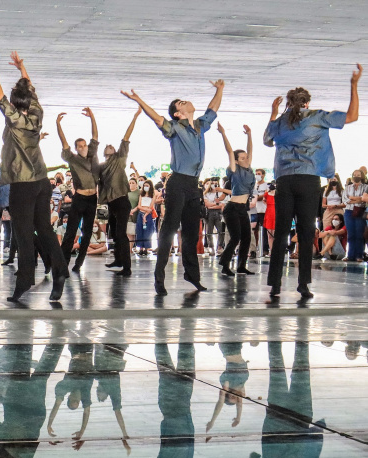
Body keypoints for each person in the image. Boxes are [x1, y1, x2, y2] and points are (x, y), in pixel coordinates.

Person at [264, 64, 361, 298]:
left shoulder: (280, 122)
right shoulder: (318, 116)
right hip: (309, 181)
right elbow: (353, 116)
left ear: (288, 103)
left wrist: (273, 113)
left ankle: (275, 284)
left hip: (285, 181)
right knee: (308, 232)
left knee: (282, 232)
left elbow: (267, 140)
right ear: (307, 102)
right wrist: (354, 85)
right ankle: (303, 285)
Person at [122, 79, 224, 296]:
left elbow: (213, 109)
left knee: (190, 233)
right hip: (177, 182)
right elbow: (157, 118)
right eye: (181, 103)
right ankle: (159, 278)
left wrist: (220, 89)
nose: (186, 102)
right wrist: (139, 100)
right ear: (177, 113)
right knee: (168, 230)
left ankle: (192, 275)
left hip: (192, 185)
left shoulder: (199, 126)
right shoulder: (176, 128)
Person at [0, 47, 65, 302]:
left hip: (23, 183)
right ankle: (60, 271)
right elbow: (32, 92)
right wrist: (22, 70)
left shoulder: (16, 120)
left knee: (23, 232)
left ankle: (25, 281)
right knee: (45, 229)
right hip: (41, 181)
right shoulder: (38, 113)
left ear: (16, 106)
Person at [56, 107, 100, 274]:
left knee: (87, 232)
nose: (82, 147)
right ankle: (63, 263)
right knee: (70, 231)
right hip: (79, 198)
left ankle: (79, 263)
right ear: (76, 148)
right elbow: (64, 143)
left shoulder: (92, 153)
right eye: (79, 146)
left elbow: (95, 135)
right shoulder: (72, 159)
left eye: (84, 145)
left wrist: (92, 117)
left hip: (92, 198)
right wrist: (58, 125)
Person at [100, 108, 142, 276]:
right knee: (115, 234)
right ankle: (118, 260)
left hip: (121, 201)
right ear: (105, 153)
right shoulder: (102, 167)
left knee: (121, 234)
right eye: (107, 146)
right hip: (111, 203)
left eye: (111, 146)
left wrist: (135, 117)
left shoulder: (120, 159)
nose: (110, 145)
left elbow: (126, 137)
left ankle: (127, 267)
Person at [215, 122, 257, 276]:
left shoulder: (249, 169)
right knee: (236, 237)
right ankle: (225, 264)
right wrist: (223, 133)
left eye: (247, 157)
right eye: (243, 157)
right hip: (232, 208)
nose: (246, 159)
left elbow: (251, 150)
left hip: (242, 208)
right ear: (237, 160)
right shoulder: (235, 169)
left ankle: (241, 266)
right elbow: (229, 151)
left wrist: (250, 134)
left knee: (246, 237)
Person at [342, 169, 367, 261]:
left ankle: (359, 255)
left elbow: (363, 199)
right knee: (351, 234)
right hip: (349, 211)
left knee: (359, 234)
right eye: (355, 174)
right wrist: (357, 199)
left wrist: (352, 199)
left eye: (358, 174)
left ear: (362, 176)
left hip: (360, 211)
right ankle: (350, 255)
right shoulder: (347, 187)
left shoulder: (365, 187)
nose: (356, 176)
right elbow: (345, 200)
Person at [253, 169, 270, 257]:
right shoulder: (253, 185)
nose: (257, 175)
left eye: (259, 174)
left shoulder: (267, 185)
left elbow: (265, 196)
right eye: (256, 174)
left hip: (264, 210)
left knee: (265, 231)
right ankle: (254, 248)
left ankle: (265, 249)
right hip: (254, 210)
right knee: (254, 231)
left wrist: (256, 198)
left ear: (263, 175)